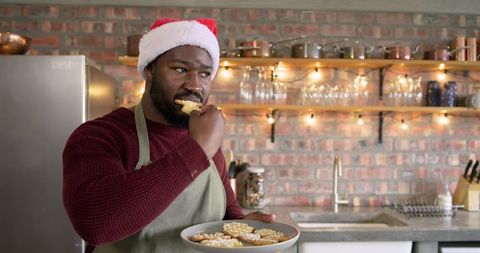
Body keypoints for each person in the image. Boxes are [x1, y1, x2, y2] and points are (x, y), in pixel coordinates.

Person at [62, 17, 275, 253]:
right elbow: (95, 225)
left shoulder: (207, 142)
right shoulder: (100, 136)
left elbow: (226, 219)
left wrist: (243, 229)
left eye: (205, 73)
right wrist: (199, 149)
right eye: (180, 69)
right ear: (150, 70)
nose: (195, 85)